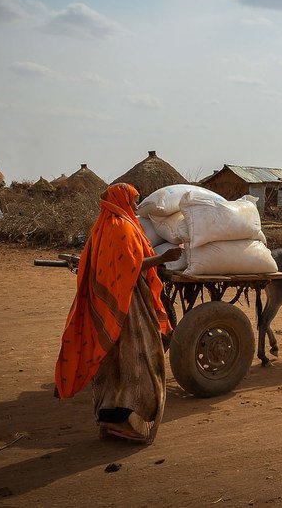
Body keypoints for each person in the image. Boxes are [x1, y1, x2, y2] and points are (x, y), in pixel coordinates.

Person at [54, 183, 182, 442]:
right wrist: (163, 258)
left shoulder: (104, 226)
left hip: (111, 302)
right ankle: (125, 422)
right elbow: (130, 267)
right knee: (140, 359)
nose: (136, 207)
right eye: (133, 201)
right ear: (122, 200)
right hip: (127, 302)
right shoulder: (120, 227)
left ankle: (109, 421)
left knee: (111, 361)